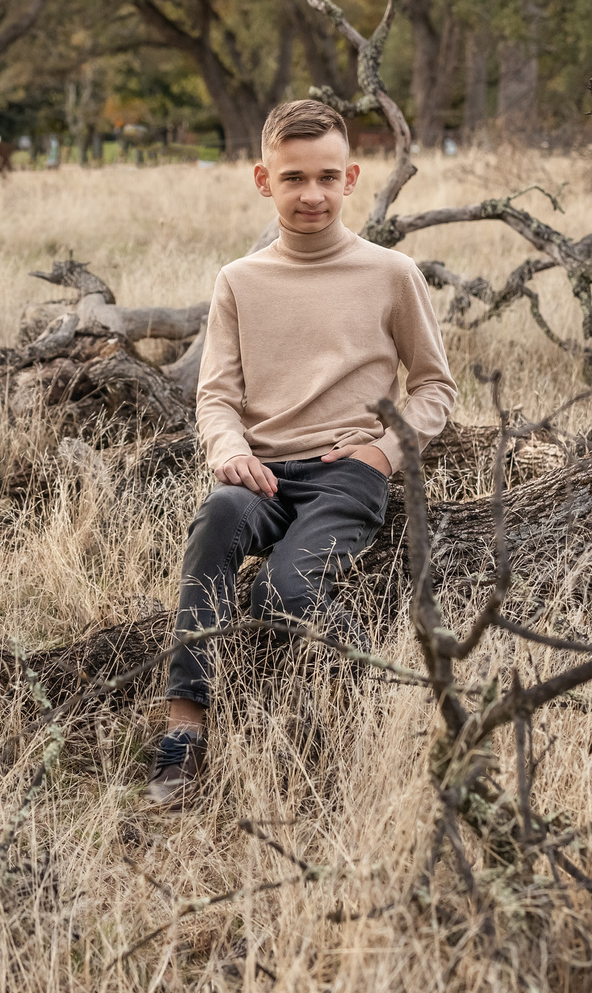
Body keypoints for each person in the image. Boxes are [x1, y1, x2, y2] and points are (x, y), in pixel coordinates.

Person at [146, 98, 456, 807]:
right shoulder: (240, 280)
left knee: (282, 589)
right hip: (261, 473)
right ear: (264, 180)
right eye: (293, 178)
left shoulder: (390, 273)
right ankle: (184, 731)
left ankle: (377, 694)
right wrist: (227, 449)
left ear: (350, 177)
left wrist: (385, 450)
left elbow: (435, 385)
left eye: (325, 176)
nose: (310, 193)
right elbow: (217, 394)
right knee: (216, 522)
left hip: (348, 474)